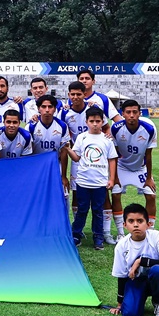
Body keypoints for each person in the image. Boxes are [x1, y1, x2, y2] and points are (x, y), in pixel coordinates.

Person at [77, 69, 123, 243]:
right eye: (81, 78)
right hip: (80, 154)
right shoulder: (73, 100)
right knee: (79, 200)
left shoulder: (102, 99)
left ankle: (103, 233)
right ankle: (78, 233)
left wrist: (111, 132)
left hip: (99, 154)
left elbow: (117, 120)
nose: (84, 81)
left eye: (87, 78)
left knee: (101, 200)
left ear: (93, 81)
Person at [66, 106, 118, 250]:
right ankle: (76, 234)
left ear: (102, 121)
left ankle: (98, 237)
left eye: (98, 121)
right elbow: (76, 158)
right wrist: (68, 149)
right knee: (82, 210)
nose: (95, 124)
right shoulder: (82, 137)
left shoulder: (107, 139)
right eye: (92, 121)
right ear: (86, 122)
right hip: (83, 182)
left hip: (100, 183)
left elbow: (112, 160)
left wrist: (111, 179)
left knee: (97, 211)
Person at [109, 203, 159, 316]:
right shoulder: (121, 246)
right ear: (124, 225)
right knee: (130, 314)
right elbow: (122, 277)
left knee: (157, 270)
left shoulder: (156, 236)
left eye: (140, 221)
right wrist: (120, 304)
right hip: (136, 282)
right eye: (131, 221)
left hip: (158, 279)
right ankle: (136, 299)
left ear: (148, 224)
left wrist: (141, 261)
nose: (136, 225)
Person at [111, 100, 158, 239]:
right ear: (123, 114)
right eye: (128, 112)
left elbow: (148, 155)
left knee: (151, 196)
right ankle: (120, 233)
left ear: (139, 113)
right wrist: (115, 177)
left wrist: (149, 178)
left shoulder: (149, 129)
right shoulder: (116, 128)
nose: (131, 115)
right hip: (121, 166)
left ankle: (150, 232)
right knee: (115, 194)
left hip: (140, 168)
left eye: (134, 112)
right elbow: (114, 154)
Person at [59, 81, 92, 222]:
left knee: (100, 191)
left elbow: (104, 127)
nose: (75, 97)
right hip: (76, 156)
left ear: (84, 94)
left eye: (79, 94)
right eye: (72, 94)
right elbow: (62, 133)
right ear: (68, 95)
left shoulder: (92, 109)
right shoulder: (64, 112)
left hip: (94, 155)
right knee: (76, 191)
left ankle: (103, 228)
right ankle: (76, 225)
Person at [29, 94, 71, 191]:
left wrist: (64, 176)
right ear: (38, 109)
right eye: (43, 107)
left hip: (55, 165)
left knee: (60, 192)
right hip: (37, 166)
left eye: (50, 107)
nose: (47, 110)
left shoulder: (62, 126)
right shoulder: (31, 126)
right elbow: (28, 152)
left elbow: (64, 152)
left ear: (55, 109)